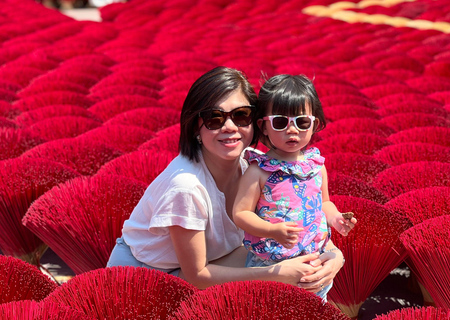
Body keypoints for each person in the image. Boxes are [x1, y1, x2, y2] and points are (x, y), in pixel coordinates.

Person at [107, 67, 345, 294]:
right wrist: (276, 273)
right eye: (214, 118)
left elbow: (309, 217)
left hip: (214, 262)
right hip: (146, 278)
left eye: (241, 115)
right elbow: (196, 275)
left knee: (297, 264)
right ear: (194, 128)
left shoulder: (261, 168)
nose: (230, 127)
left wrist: (335, 258)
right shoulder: (186, 188)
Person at [232, 74, 357, 301]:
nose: (292, 130)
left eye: (302, 122)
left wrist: (336, 219)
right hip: (270, 264)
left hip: (313, 261)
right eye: (281, 122)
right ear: (264, 126)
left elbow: (324, 203)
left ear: (314, 125)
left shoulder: (316, 167)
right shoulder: (259, 170)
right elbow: (241, 214)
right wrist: (272, 231)